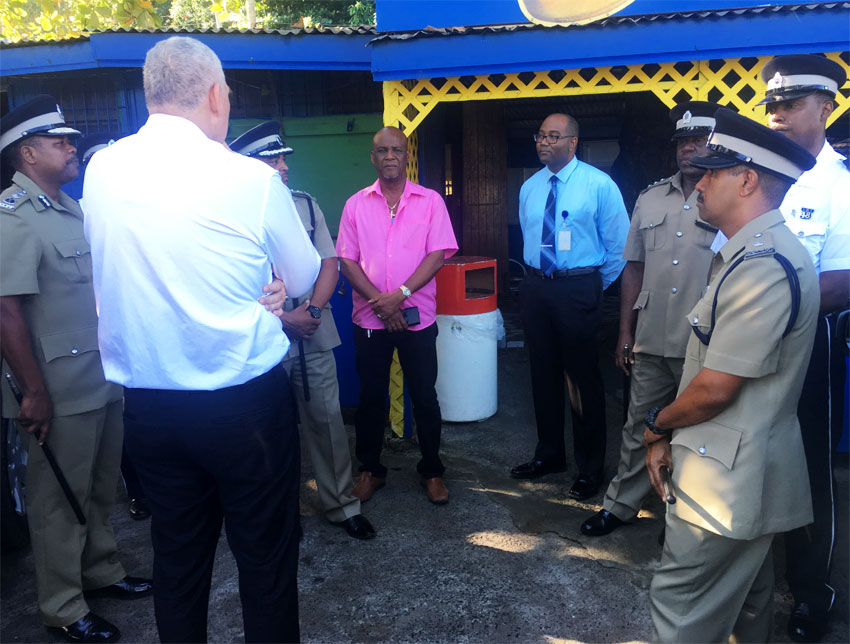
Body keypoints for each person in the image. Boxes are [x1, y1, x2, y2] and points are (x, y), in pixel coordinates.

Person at [81, 36, 320, 644]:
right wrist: (273, 282)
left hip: (153, 409)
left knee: (178, 562)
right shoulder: (249, 178)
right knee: (265, 563)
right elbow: (309, 273)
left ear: (149, 94)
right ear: (215, 95)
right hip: (244, 408)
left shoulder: (102, 169)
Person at [645, 107, 818, 643]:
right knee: (747, 603)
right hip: (740, 470)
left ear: (746, 180)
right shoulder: (749, 256)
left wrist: (657, 425)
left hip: (724, 479)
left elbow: (717, 388)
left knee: (681, 605)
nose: (698, 182)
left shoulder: (762, 265)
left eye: (712, 172)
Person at [0, 96, 152, 644]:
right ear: (27, 152)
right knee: (57, 498)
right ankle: (62, 605)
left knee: (99, 486)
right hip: (56, 390)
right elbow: (6, 309)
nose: (72, 148)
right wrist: (33, 392)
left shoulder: (71, 209)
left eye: (71, 140)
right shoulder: (12, 217)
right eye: (60, 142)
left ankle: (100, 571)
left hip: (99, 375)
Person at [231, 121, 376, 540]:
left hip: (312, 329)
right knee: (264, 432)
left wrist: (311, 309)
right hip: (261, 338)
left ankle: (341, 504)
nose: (283, 167)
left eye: (283, 159)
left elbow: (328, 262)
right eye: (272, 160)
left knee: (327, 422)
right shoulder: (228, 215)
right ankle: (277, 512)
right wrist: (283, 319)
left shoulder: (305, 206)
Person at [581, 102, 719, 536]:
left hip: (704, 342)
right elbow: (633, 269)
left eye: (697, 140)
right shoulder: (650, 197)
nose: (688, 148)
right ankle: (621, 504)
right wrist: (625, 330)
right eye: (682, 141)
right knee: (638, 425)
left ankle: (682, 517)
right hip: (652, 337)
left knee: (697, 434)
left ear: (715, 145)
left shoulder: (729, 198)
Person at [759, 54, 849, 643]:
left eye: (791, 105)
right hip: (747, 346)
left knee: (810, 472)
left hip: (810, 346)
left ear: (825, 106)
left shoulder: (839, 187)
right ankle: (756, 577)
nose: (779, 116)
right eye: (773, 105)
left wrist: (767, 308)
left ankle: (813, 592)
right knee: (752, 461)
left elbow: (842, 278)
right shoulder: (758, 174)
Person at [336, 126, 458, 505]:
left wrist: (401, 295)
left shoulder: (430, 201)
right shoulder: (356, 204)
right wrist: (382, 303)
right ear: (373, 158)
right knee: (371, 398)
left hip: (416, 317)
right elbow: (346, 260)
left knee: (424, 396)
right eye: (382, 151)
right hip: (370, 318)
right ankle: (370, 470)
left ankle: (432, 471)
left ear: (408, 157)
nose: (390, 156)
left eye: (397, 151)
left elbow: (437, 254)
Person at [510, 112, 629, 501]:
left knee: (582, 381)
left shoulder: (599, 185)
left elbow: (618, 248)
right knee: (542, 375)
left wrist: (591, 286)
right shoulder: (530, 187)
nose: (544, 143)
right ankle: (549, 456)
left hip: (578, 288)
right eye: (540, 135)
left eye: (554, 136)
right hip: (535, 286)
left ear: (573, 143)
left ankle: (590, 468)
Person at [76, 132, 151, 523]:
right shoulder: (80, 213)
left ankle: (152, 485)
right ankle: (137, 491)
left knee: (141, 414)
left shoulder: (140, 209)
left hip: (142, 332)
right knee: (119, 422)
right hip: (101, 336)